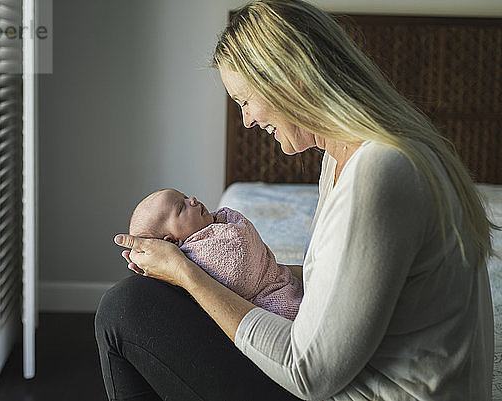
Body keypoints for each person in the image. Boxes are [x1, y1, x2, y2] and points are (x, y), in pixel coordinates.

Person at [95, 0, 498, 400]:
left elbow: (309, 373)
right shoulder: (343, 161)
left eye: (244, 101)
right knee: (154, 297)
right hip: (351, 381)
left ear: (290, 79)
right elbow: (346, 285)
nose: (247, 121)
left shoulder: (382, 174)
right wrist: (211, 274)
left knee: (126, 308)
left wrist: (187, 273)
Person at [128, 188, 303, 320]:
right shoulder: (196, 256)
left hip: (281, 285)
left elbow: (244, 240)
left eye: (186, 197)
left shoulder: (220, 225)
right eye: (182, 207)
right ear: (172, 242)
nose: (193, 200)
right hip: (271, 304)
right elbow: (237, 274)